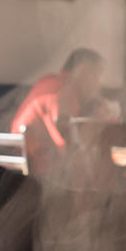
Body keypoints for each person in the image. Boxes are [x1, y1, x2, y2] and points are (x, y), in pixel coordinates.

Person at [10, 48, 106, 176]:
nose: (98, 85)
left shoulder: (47, 82)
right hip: (40, 175)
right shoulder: (64, 93)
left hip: (18, 171)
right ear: (82, 71)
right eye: (97, 75)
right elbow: (67, 145)